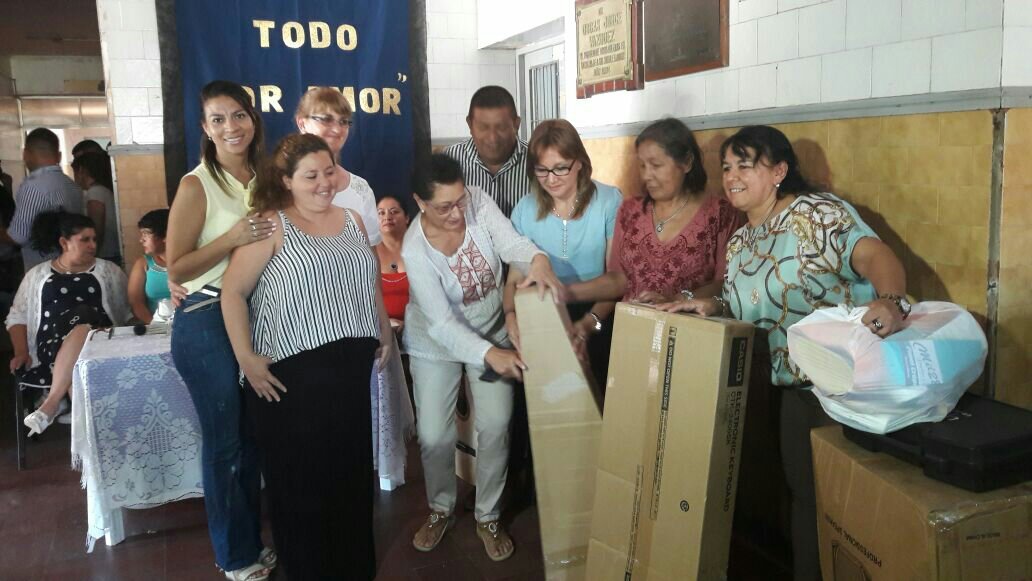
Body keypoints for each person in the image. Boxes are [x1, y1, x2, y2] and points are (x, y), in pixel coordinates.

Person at [658, 125, 910, 581]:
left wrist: (891, 301)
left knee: (856, 507)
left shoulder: (815, 215)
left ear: (778, 171)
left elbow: (874, 256)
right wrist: (713, 305)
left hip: (850, 383)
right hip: (795, 392)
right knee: (806, 499)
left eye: (745, 165)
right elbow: (748, 303)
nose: (732, 176)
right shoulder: (741, 242)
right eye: (727, 167)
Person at [222, 134, 391, 580]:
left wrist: (383, 331)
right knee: (301, 485)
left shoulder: (353, 219)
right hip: (291, 380)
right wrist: (246, 357)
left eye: (329, 171)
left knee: (350, 476)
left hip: (349, 373)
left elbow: (369, 279)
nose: (323, 183)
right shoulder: (270, 225)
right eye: (310, 175)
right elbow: (232, 292)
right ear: (286, 180)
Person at [403, 153, 562, 561]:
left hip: (491, 330)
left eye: (459, 201)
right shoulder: (415, 249)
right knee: (434, 435)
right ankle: (441, 509)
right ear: (420, 202)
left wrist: (538, 260)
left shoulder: (477, 200)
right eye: (444, 207)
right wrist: (491, 354)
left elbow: (511, 244)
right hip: (435, 345)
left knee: (495, 425)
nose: (457, 213)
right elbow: (441, 325)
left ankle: (488, 516)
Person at [165, 80, 275, 581]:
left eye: (238, 115)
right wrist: (232, 237)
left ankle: (249, 543)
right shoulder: (197, 185)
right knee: (225, 443)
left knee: (250, 441)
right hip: (206, 317)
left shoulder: (265, 176)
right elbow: (177, 266)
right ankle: (234, 556)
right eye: (218, 119)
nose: (231, 127)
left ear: (253, 118)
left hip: (256, 314)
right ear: (205, 129)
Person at [565, 118, 743, 306]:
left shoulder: (719, 214)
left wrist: (676, 300)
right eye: (642, 166)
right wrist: (567, 294)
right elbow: (618, 279)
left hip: (686, 323)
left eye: (656, 165)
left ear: (687, 162)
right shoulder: (630, 211)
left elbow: (725, 284)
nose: (646, 175)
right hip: (630, 321)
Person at [504, 119, 623, 385]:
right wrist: (510, 316)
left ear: (579, 162)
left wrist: (588, 324)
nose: (550, 179)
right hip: (541, 311)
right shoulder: (525, 210)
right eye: (541, 170)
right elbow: (514, 280)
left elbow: (616, 281)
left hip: (599, 311)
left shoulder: (608, 201)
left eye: (560, 168)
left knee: (599, 382)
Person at [6, 211, 129, 435]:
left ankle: (53, 403)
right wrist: (21, 351)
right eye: (85, 239)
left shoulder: (109, 271)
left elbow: (125, 311)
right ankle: (87, 430)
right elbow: (17, 316)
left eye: (94, 239)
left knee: (83, 325)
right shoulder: (37, 275)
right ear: (64, 242)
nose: (93, 245)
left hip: (100, 342)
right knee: (80, 331)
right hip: (51, 346)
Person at [295, 87, 381, 247]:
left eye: (343, 122)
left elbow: (371, 252)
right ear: (302, 123)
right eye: (326, 119)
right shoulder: (277, 184)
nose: (336, 129)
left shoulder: (360, 188)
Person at [0, 128, 83, 269]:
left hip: (44, 269)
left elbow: (19, 237)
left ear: (25, 154)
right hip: (73, 264)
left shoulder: (32, 186)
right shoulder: (72, 185)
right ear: (59, 156)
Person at [443, 86, 528, 218]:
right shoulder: (451, 159)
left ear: (516, 125)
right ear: (470, 124)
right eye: (483, 127)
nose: (492, 138)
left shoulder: (537, 161)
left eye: (501, 127)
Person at [72, 151, 121, 265]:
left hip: (105, 255)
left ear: (81, 171)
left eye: (74, 173)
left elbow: (97, 228)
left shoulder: (95, 192)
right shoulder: (101, 190)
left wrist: (91, 255)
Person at [127, 209, 170, 324]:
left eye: (146, 234)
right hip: (154, 326)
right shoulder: (143, 263)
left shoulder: (188, 261)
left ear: (165, 235)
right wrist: (154, 325)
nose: (141, 240)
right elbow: (136, 302)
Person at [376, 195, 410, 326]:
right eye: (381, 213)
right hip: (380, 329)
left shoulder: (421, 249)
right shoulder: (367, 253)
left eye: (394, 212)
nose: (387, 217)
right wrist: (385, 323)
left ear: (407, 218)